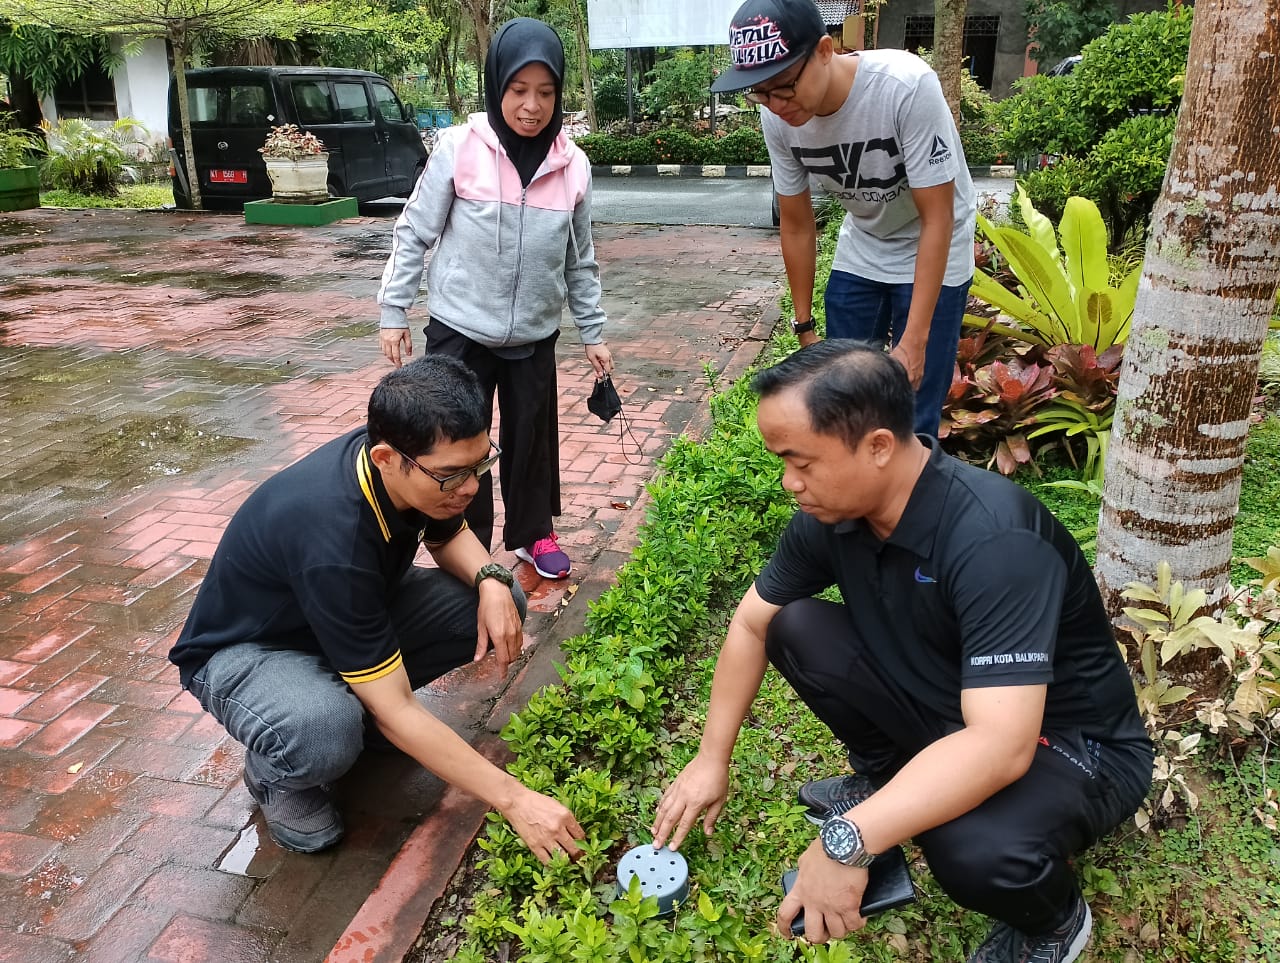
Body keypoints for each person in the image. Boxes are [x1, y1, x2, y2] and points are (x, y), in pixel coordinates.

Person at [651, 341, 1153, 963]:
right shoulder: (833, 516)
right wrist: (710, 758)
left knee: (968, 846)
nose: (789, 483)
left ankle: (1053, 919)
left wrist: (848, 842)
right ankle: (888, 778)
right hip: (957, 701)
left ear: (880, 446)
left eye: (799, 461)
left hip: (1072, 745)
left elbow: (1001, 746)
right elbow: (753, 624)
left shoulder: (994, 541)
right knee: (795, 624)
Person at [169, 355, 585, 861]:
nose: (472, 487)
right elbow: (398, 711)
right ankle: (279, 771)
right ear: (388, 458)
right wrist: (515, 800)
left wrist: (494, 579)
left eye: (481, 464)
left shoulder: (407, 462)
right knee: (325, 729)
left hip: (335, 616)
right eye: (454, 476)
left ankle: (354, 700)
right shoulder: (334, 541)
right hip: (248, 649)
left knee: (498, 600)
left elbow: (447, 533)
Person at [377, 16, 613, 580]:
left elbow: (579, 260)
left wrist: (594, 332)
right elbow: (415, 230)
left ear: (559, 95)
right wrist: (394, 311)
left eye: (545, 92)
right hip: (460, 332)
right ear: (497, 86)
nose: (531, 105)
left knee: (531, 437)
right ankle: (467, 543)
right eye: (518, 90)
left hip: (534, 334)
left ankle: (534, 534)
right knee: (459, 445)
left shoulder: (572, 165)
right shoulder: (460, 148)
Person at [710, 0, 977, 437]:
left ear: (824, 51)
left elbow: (938, 217)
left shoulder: (904, 87)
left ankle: (912, 502)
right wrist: (802, 325)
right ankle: (853, 504)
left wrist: (913, 342)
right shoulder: (777, 117)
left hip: (934, 243)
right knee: (845, 400)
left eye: (784, 87)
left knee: (914, 411)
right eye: (760, 91)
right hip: (865, 241)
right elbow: (796, 223)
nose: (775, 104)